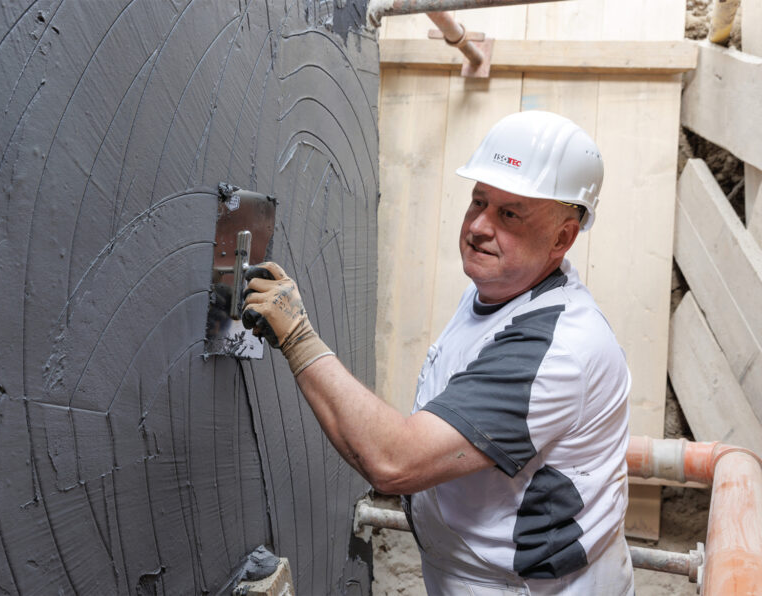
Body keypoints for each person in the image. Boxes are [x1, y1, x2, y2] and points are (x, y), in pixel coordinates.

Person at [241, 110, 633, 595]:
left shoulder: (557, 349)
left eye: (510, 213)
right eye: (478, 201)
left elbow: (393, 461)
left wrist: (299, 337)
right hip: (470, 571)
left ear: (562, 238)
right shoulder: (503, 291)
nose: (479, 226)